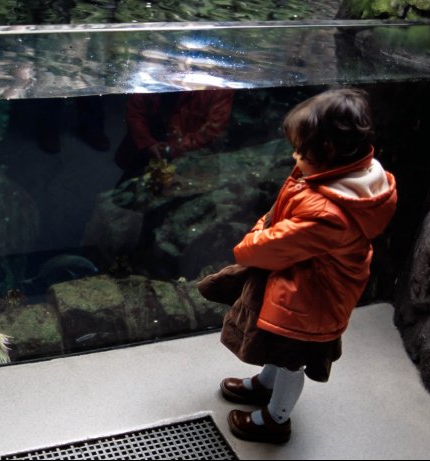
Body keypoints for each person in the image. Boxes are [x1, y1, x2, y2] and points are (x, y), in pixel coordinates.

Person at [215, 88, 398, 444]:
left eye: (300, 150)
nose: (294, 156)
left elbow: (275, 245)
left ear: (327, 151)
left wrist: (246, 246)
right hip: (304, 285)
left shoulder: (330, 214)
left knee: (290, 358)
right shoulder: (343, 176)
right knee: (278, 346)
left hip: (309, 299)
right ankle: (265, 384)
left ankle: (275, 419)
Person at [114, 89, 234, 183]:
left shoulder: (219, 89)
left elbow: (211, 131)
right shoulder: (160, 68)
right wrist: (147, 143)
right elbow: (135, 109)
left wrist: (174, 149)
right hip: (144, 149)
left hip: (185, 161)